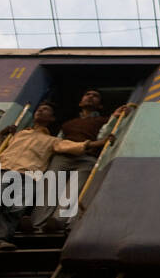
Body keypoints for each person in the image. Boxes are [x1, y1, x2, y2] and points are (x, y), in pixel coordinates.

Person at [0, 104, 106, 250]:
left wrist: (100, 142)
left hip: (31, 177)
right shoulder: (19, 134)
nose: (40, 110)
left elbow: (75, 146)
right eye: (39, 109)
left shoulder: (52, 141)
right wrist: (1, 136)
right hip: (6, 170)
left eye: (46, 110)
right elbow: (4, 150)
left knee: (14, 211)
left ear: (51, 119)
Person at [28, 91, 133, 230]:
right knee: (50, 187)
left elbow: (103, 136)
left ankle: (57, 221)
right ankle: (37, 223)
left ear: (100, 105)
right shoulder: (68, 124)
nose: (90, 97)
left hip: (87, 157)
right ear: (80, 102)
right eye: (87, 95)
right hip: (62, 157)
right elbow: (57, 142)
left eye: (95, 96)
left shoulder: (105, 120)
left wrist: (114, 117)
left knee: (74, 189)